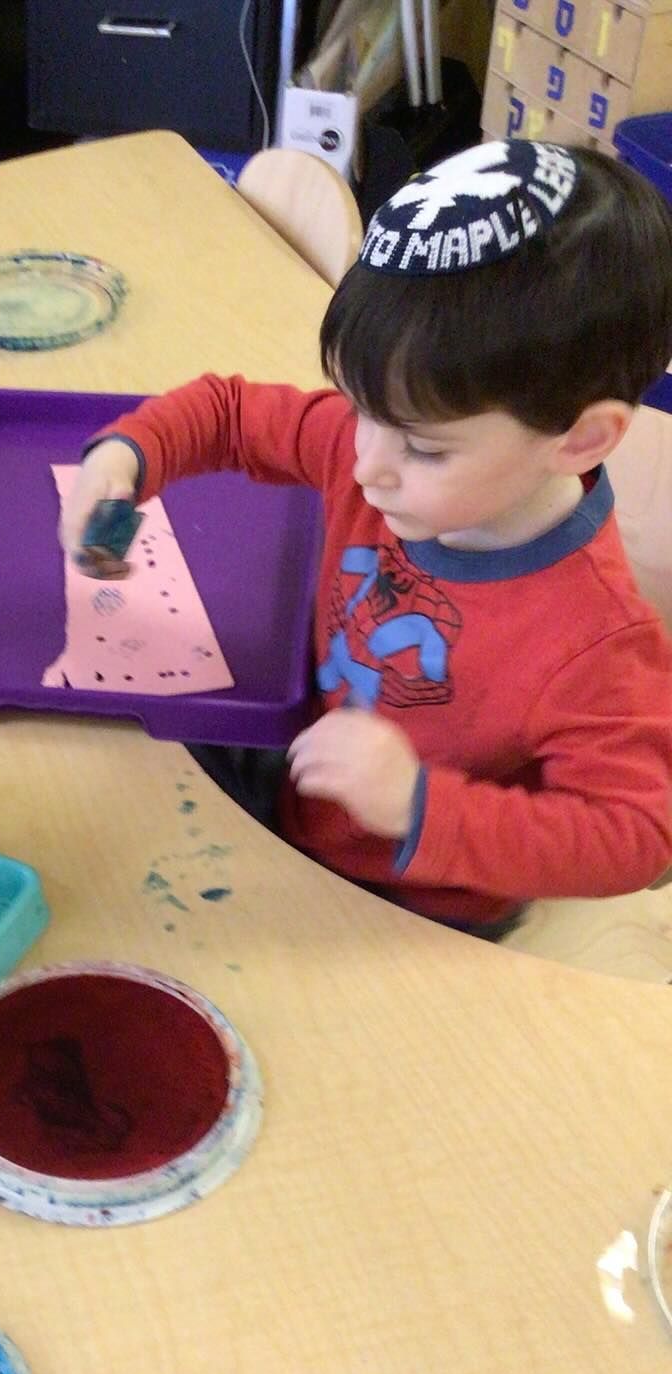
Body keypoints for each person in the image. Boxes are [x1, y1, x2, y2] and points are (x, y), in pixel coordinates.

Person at [61, 139, 672, 938]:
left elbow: (637, 839)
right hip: (298, 772)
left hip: (414, 901)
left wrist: (422, 806)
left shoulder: (594, 641)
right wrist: (126, 455)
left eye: (423, 447)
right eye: (358, 411)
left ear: (583, 440)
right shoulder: (377, 450)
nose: (366, 466)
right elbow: (230, 412)